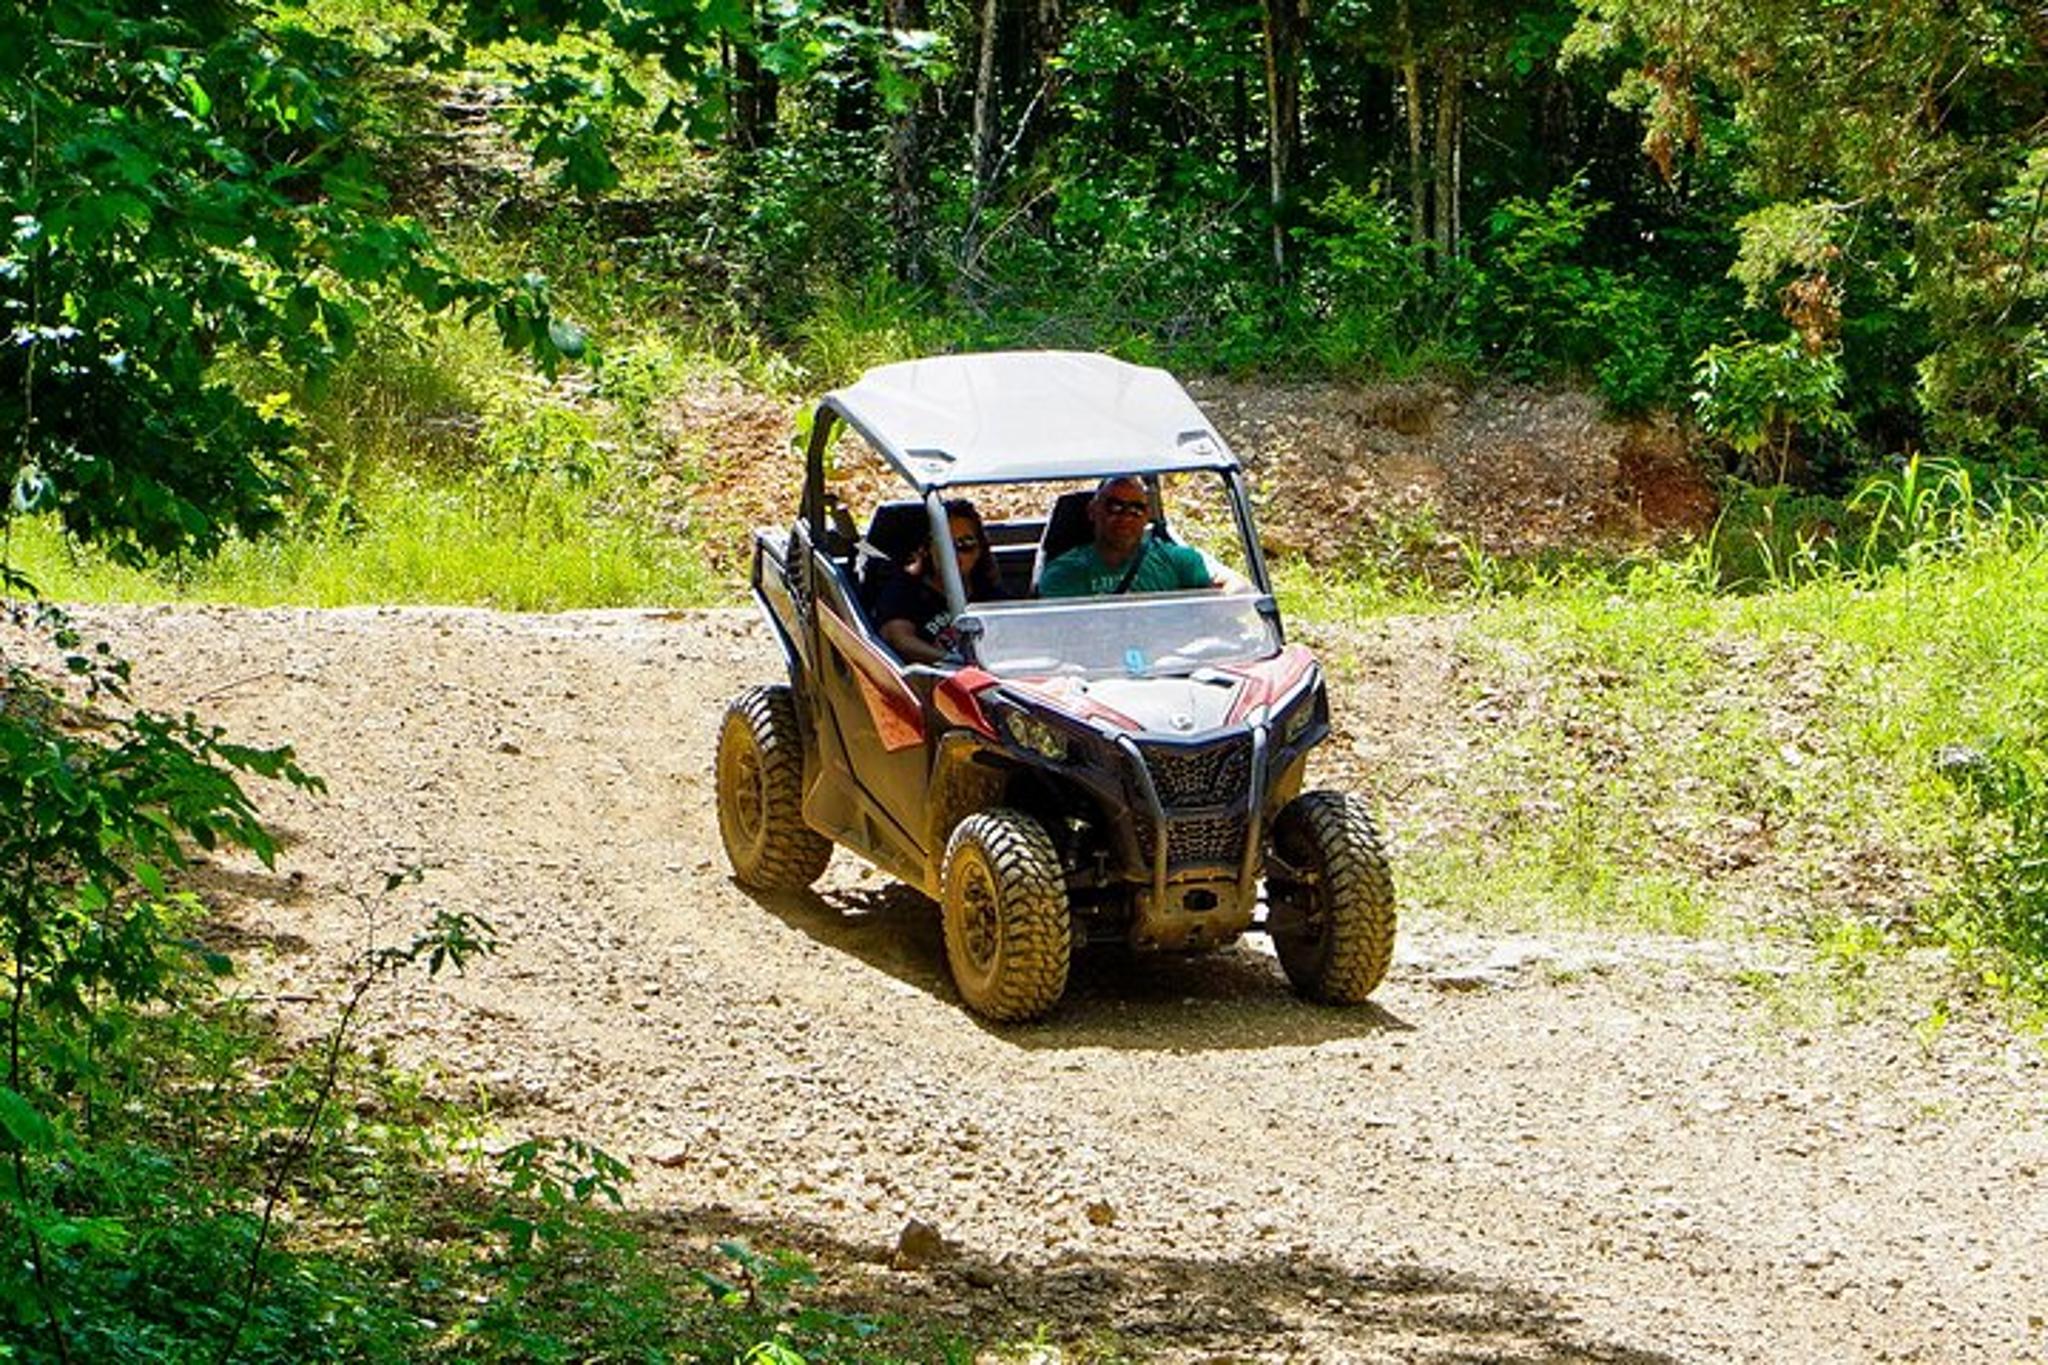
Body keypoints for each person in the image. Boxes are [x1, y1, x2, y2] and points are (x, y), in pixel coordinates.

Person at [1037, 475, 1251, 598]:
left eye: (1136, 509)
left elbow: (1239, 586)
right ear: (1093, 511)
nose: (1126, 517)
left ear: (1147, 516)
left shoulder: (1175, 559)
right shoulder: (1064, 573)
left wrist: (1212, 613)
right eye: (1115, 506)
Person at [875, 498, 1005, 664]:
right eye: (945, 545)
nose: (956, 555)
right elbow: (899, 639)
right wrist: (953, 661)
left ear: (980, 549)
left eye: (966, 544)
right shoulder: (905, 591)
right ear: (927, 549)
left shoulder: (990, 593)